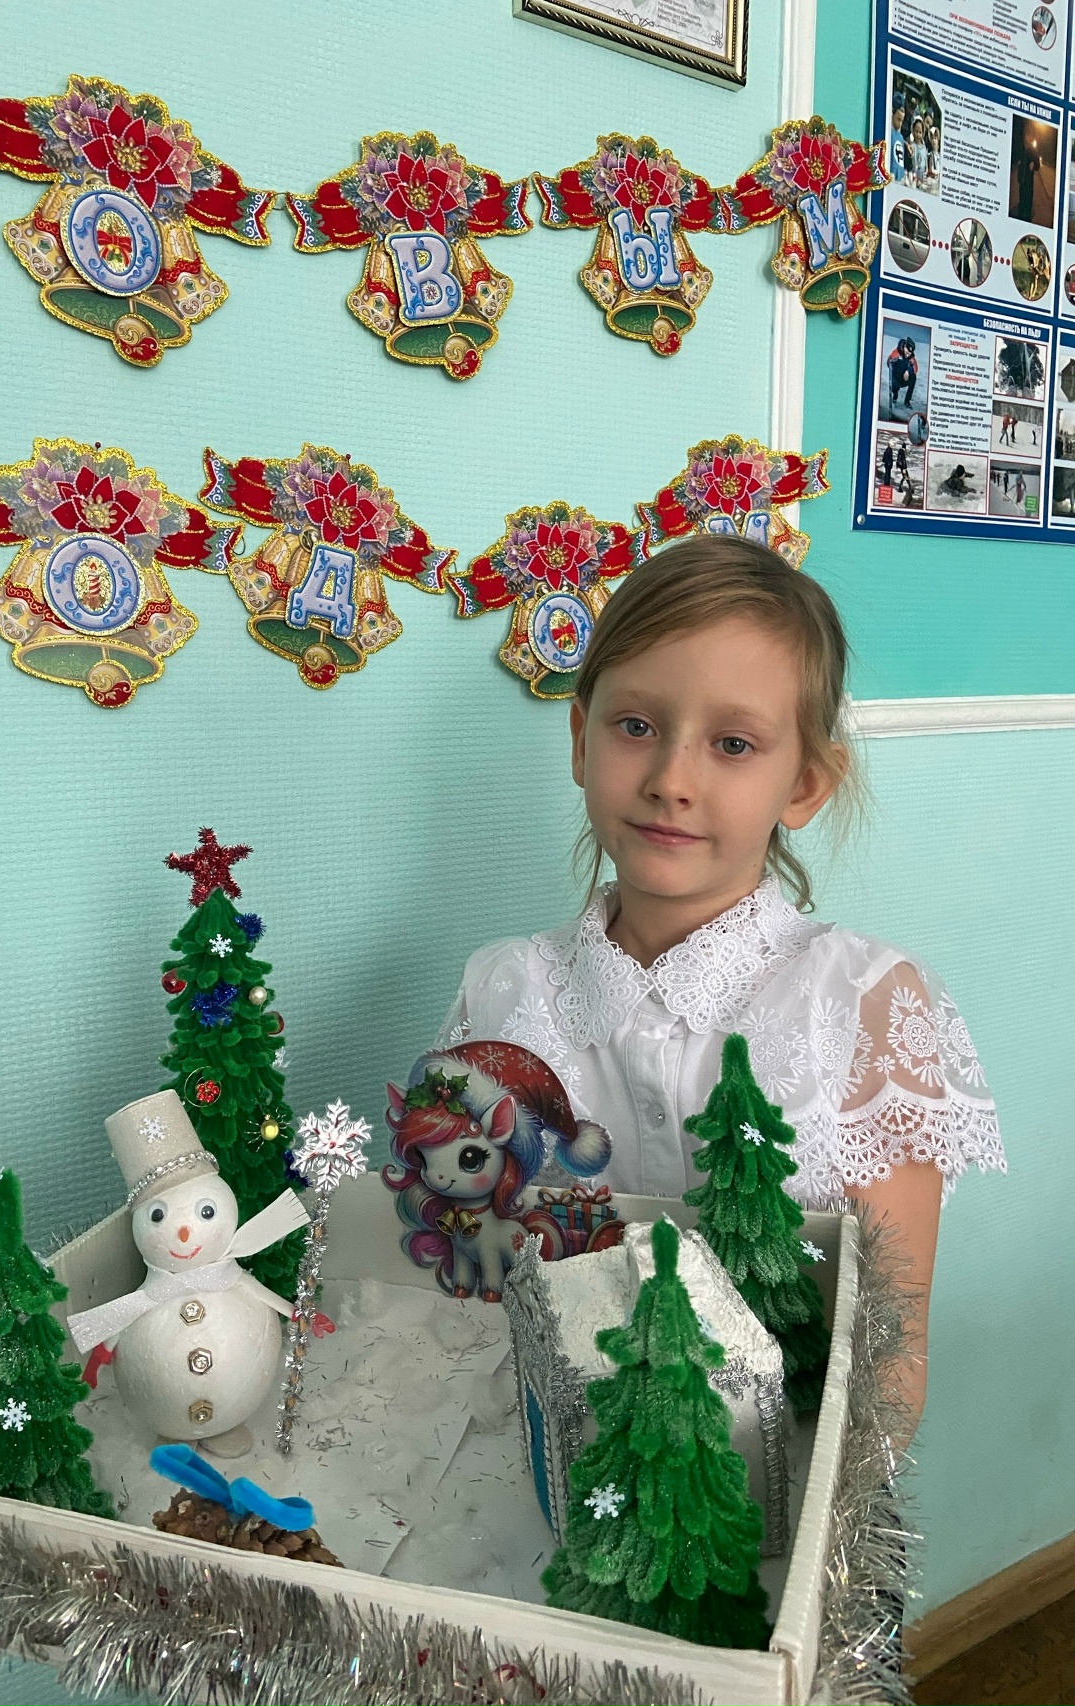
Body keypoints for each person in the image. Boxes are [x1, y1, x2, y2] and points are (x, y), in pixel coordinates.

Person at [437, 537, 1004, 1439]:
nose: (671, 781)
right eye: (635, 727)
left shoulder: (868, 1006)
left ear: (805, 784)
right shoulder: (502, 991)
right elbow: (457, 1276)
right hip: (540, 1471)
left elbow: (889, 1358)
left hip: (783, 1490)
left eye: (733, 744)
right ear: (581, 740)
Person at [888, 335, 918, 409]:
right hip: (895, 378)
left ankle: (907, 401)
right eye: (907, 352)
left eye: (909, 354)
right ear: (904, 346)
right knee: (895, 386)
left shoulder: (911, 357)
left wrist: (908, 371)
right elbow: (889, 362)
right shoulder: (897, 352)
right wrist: (891, 361)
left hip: (904, 378)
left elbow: (915, 368)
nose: (907, 355)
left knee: (913, 377)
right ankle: (895, 396)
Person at [889, 97, 907, 183]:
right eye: (898, 119)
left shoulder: (901, 138)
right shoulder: (888, 133)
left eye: (902, 120)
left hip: (899, 177)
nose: (900, 124)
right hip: (890, 174)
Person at [909, 119, 928, 188]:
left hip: (923, 175)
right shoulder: (912, 145)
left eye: (920, 132)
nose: (918, 134)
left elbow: (925, 161)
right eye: (916, 131)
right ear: (913, 131)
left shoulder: (924, 147)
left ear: (923, 133)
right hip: (914, 175)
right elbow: (912, 162)